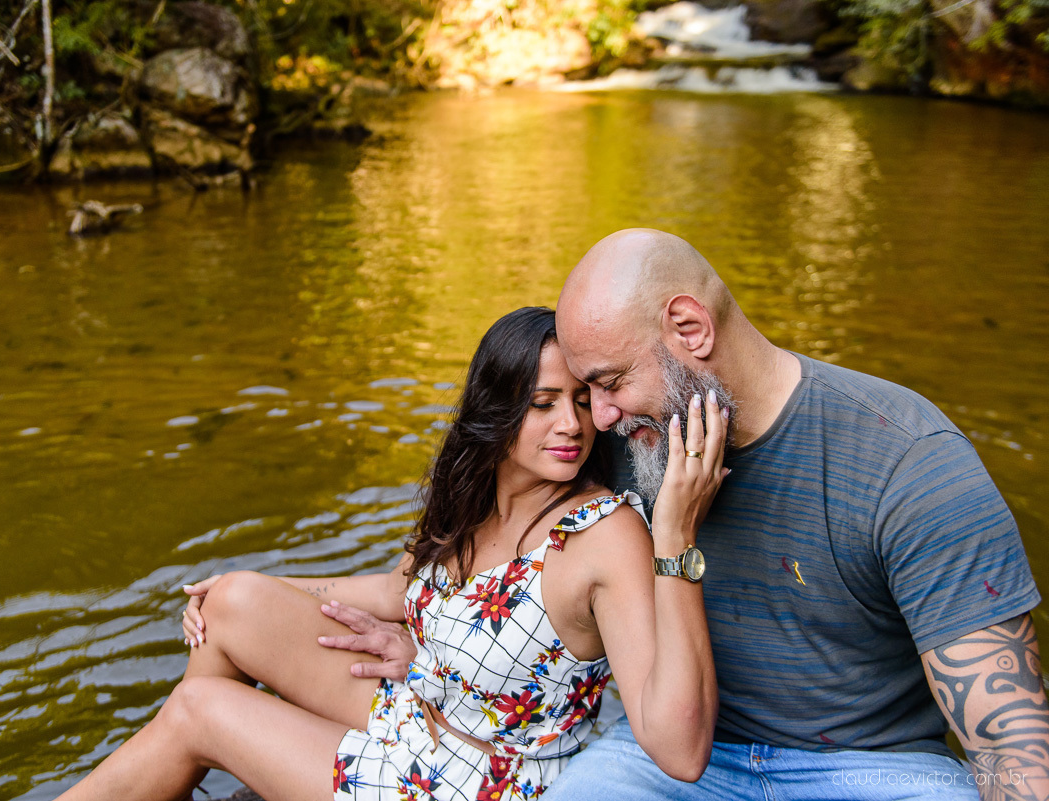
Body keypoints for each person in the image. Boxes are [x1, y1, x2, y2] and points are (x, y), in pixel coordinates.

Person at [322, 231, 1049, 801]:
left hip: (873, 769)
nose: (594, 418)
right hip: (671, 764)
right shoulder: (631, 441)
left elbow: (1009, 736)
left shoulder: (908, 459)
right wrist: (432, 651)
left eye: (607, 384)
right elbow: (513, 567)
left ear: (690, 328)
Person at [55, 306, 730, 801]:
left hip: (475, 780)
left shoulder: (600, 533)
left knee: (197, 709)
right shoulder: (475, 498)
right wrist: (251, 581)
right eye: (542, 403)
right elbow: (393, 589)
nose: (571, 424)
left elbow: (677, 746)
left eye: (583, 401)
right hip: (418, 711)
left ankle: (171, 772)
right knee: (232, 601)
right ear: (496, 409)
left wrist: (675, 538)